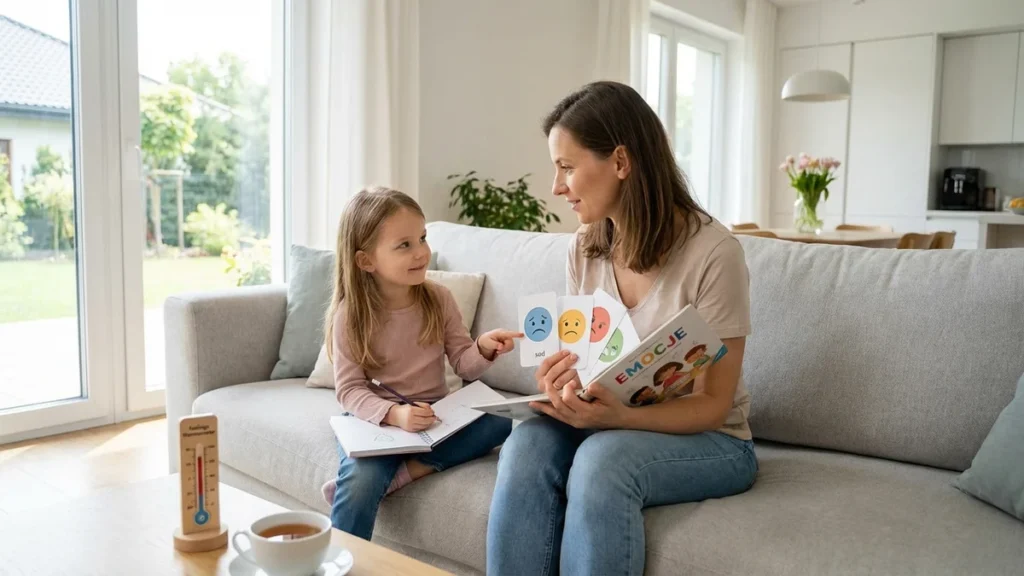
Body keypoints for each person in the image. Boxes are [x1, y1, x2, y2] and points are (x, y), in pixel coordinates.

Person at [486, 81, 758, 575]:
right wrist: (561, 385)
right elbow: (585, 360)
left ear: (620, 162)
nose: (556, 186)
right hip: (610, 421)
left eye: (567, 167)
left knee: (603, 463)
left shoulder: (716, 255)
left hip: (715, 440)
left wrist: (616, 420)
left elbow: (714, 405)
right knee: (525, 443)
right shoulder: (584, 247)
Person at [323, 187, 519, 540]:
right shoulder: (350, 315)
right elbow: (350, 391)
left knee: (499, 423)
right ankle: (344, 560)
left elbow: (464, 364)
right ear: (366, 261)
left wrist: (484, 348)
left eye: (423, 239)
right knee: (362, 480)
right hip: (377, 421)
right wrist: (395, 415)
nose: (422, 253)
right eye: (405, 245)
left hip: (436, 417)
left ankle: (403, 474)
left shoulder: (438, 299)